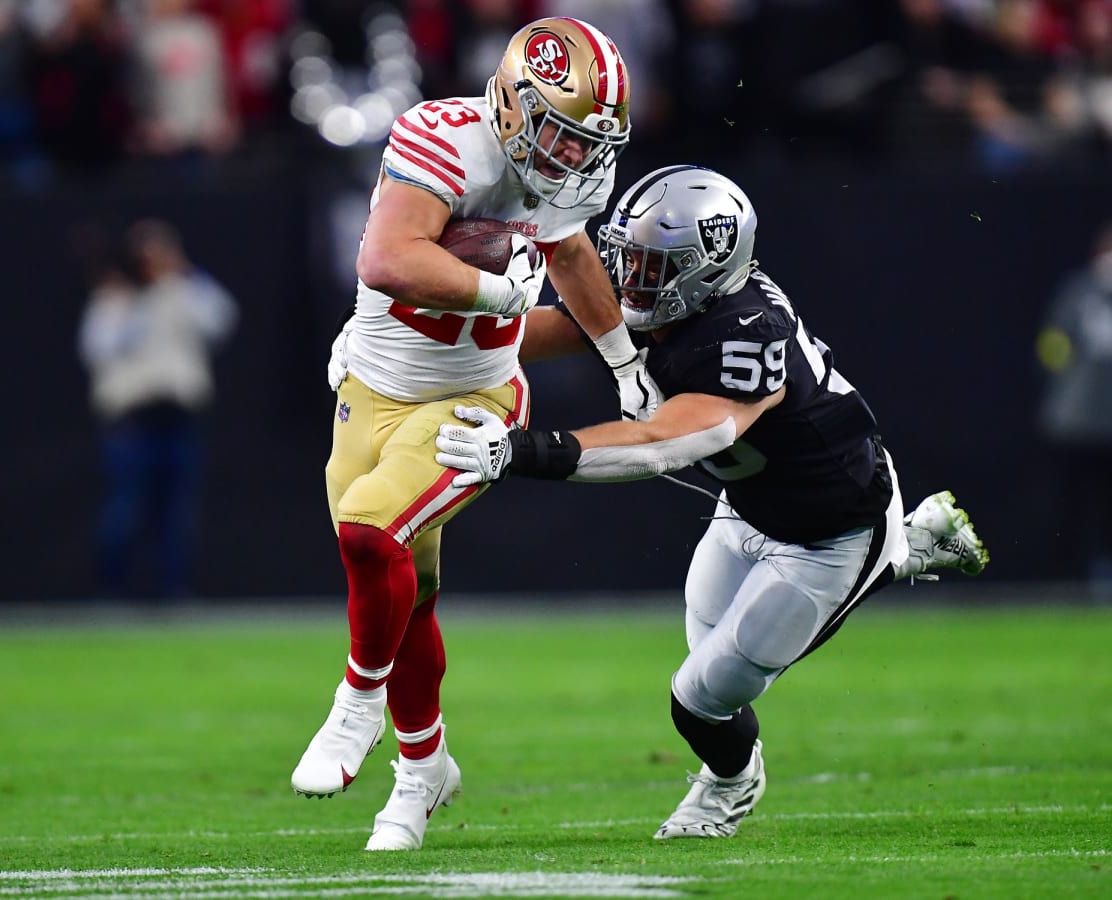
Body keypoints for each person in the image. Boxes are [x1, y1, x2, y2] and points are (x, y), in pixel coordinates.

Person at [432, 165, 990, 839]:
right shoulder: (682, 297)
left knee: (701, 698)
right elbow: (566, 324)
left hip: (832, 530)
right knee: (706, 657)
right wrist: (435, 341)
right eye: (627, 259)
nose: (629, 278)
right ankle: (911, 547)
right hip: (751, 507)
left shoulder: (742, 335)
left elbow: (662, 444)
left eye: (650, 266)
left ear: (705, 270)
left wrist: (518, 451)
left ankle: (730, 782)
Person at [289, 17, 659, 852]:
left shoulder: (568, 176)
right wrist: (503, 294)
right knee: (404, 591)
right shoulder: (444, 139)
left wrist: (624, 361)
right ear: (511, 101)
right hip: (374, 385)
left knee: (370, 530)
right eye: (560, 134)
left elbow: (568, 258)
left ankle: (357, 706)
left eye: (587, 143)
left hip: (477, 397)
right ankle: (423, 772)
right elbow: (386, 260)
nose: (571, 159)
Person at [77, 218, 238, 599]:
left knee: (177, 512)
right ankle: (110, 591)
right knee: (125, 508)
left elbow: (222, 318)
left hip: (179, 417)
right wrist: (128, 296)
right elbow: (98, 348)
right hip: (132, 421)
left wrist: (180, 273)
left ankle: (174, 590)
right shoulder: (114, 300)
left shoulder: (183, 292)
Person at [1035, 219, 1112, 594]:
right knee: (1076, 502)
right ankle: (1071, 575)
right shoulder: (1078, 291)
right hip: (1078, 420)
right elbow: (1051, 345)